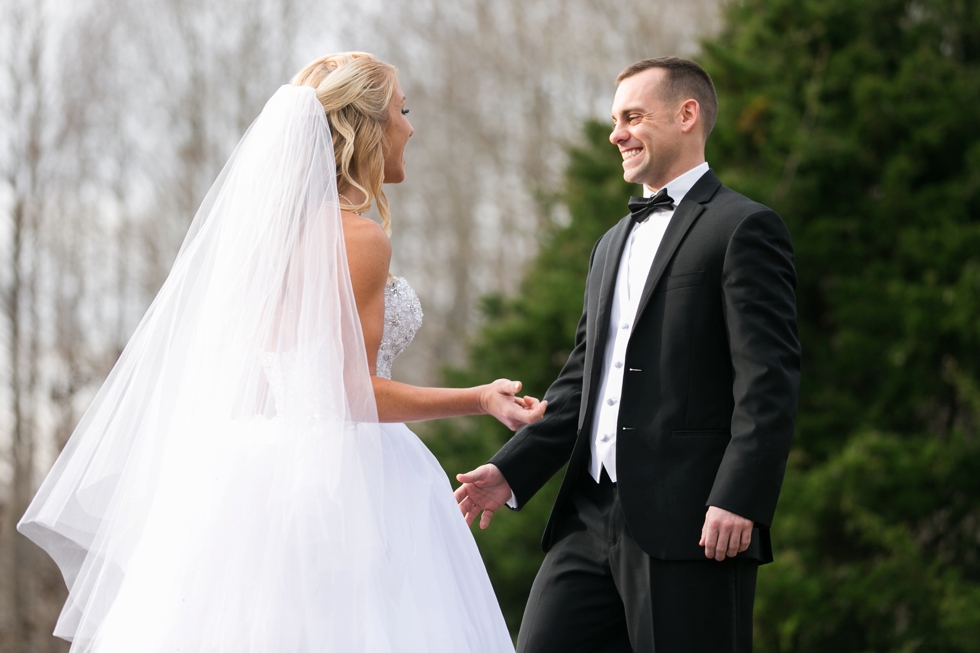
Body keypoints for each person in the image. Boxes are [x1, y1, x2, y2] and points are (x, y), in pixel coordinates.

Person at [18, 52, 541, 652]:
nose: (410, 127)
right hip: (351, 483)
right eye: (402, 110)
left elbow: (278, 380)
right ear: (364, 127)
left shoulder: (265, 242)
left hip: (257, 478)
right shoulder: (359, 238)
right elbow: (350, 392)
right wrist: (480, 398)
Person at [455, 56, 800, 652]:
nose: (616, 133)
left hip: (696, 523)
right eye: (616, 119)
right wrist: (511, 470)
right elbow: (583, 379)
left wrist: (739, 497)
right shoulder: (611, 243)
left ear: (686, 115)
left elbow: (768, 381)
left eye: (633, 117)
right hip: (587, 518)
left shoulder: (745, 228)